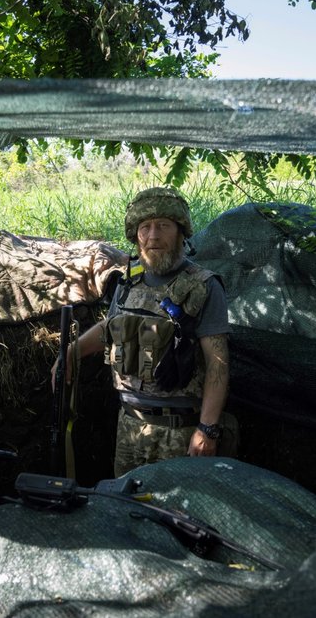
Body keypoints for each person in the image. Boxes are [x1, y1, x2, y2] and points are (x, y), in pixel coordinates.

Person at [54, 186, 236, 476]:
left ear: (181, 232)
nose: (154, 236)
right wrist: (71, 353)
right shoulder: (129, 281)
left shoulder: (203, 286)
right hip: (130, 427)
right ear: (135, 234)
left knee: (176, 517)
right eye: (145, 227)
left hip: (180, 432)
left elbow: (218, 363)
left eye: (164, 226)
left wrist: (207, 429)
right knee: (126, 509)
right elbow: (110, 327)